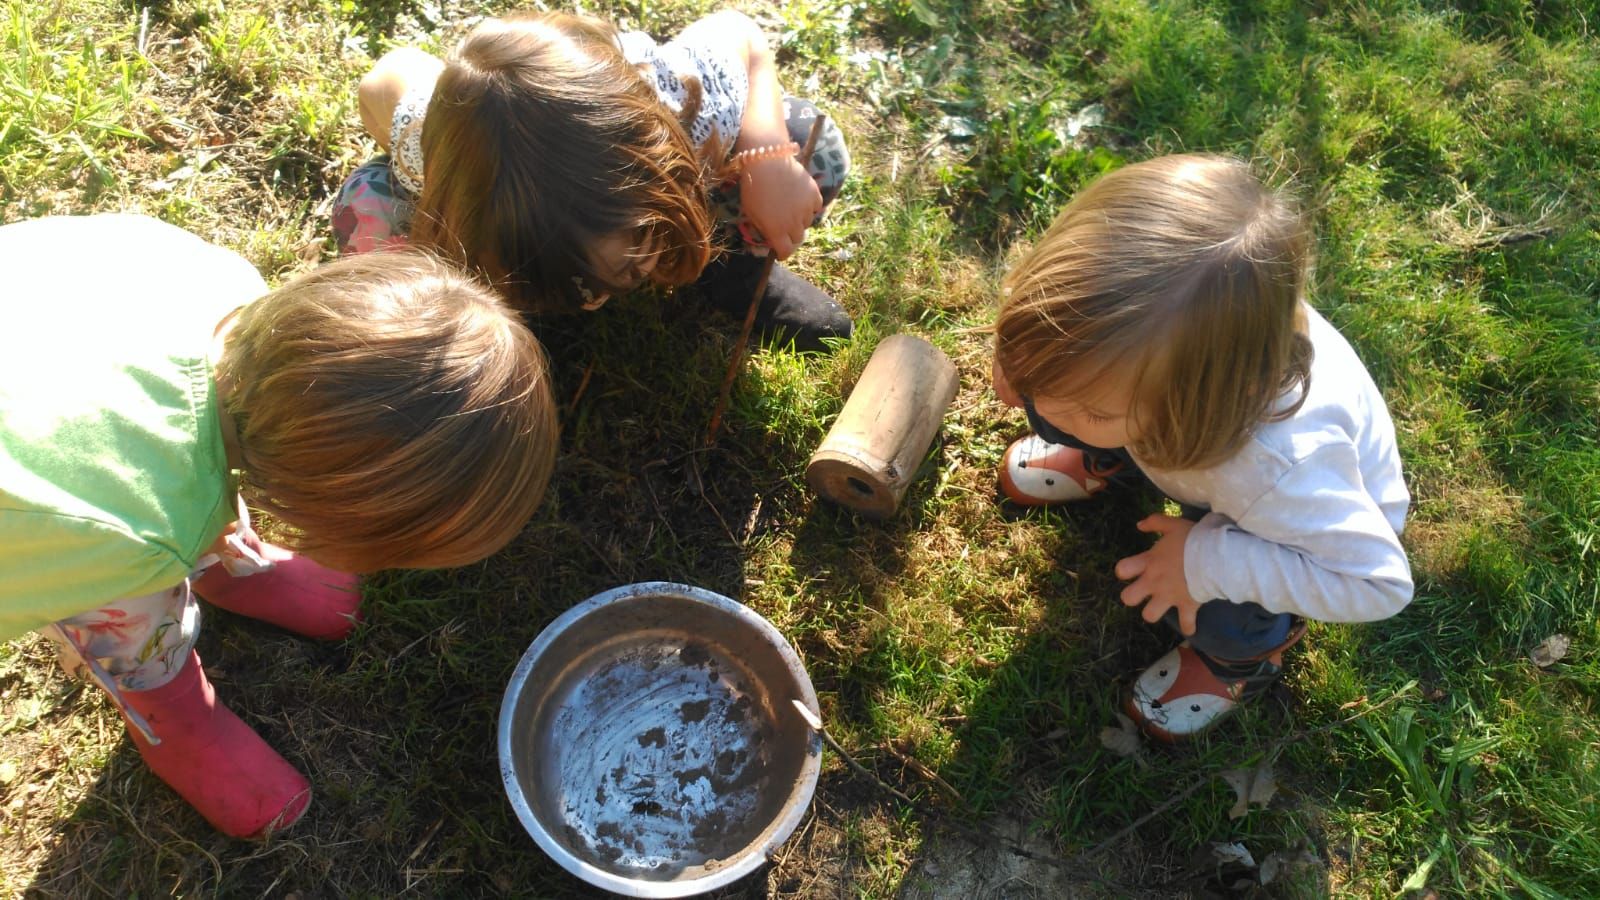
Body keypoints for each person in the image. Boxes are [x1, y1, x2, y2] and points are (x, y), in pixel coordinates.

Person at [0, 214, 559, 837]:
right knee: (125, 606)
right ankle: (174, 717)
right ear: (325, 512)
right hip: (36, 499)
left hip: (42, 304)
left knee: (219, 441)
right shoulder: (120, 528)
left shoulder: (227, 290)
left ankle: (221, 558)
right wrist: (152, 554)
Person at [990, 155, 1412, 740]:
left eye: (1093, 410)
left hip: (1287, 531)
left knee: (1228, 606)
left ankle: (1239, 657)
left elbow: (1378, 582)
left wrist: (1208, 562)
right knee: (1065, 394)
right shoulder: (1163, 346)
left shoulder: (1277, 470)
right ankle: (1110, 450)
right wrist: (1029, 359)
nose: (1039, 402)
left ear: (1199, 408)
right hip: (1173, 439)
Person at [333, 9, 854, 350]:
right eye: (578, 283)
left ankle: (728, 267)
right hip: (475, 228)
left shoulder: (680, 101)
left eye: (629, 260)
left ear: (655, 167)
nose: (594, 297)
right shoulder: (433, 151)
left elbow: (742, 34)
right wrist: (446, 164)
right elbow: (383, 81)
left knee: (814, 148)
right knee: (368, 206)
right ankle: (472, 323)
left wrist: (766, 159)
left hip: (674, 176)